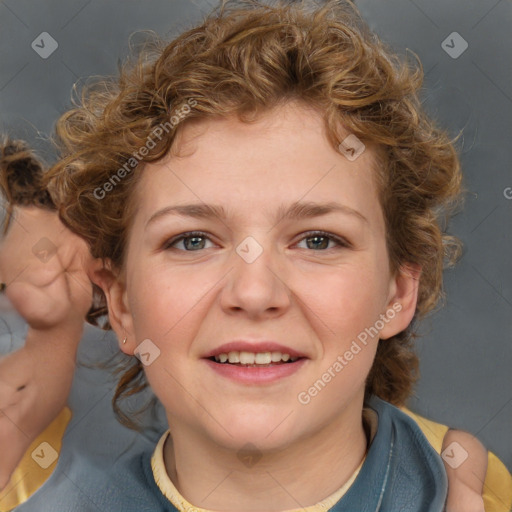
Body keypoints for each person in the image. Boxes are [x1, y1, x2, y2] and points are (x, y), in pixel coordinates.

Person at [1, 0, 511, 510]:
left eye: (318, 240)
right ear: (121, 304)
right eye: (192, 240)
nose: (254, 292)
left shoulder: (478, 489)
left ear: (398, 293)